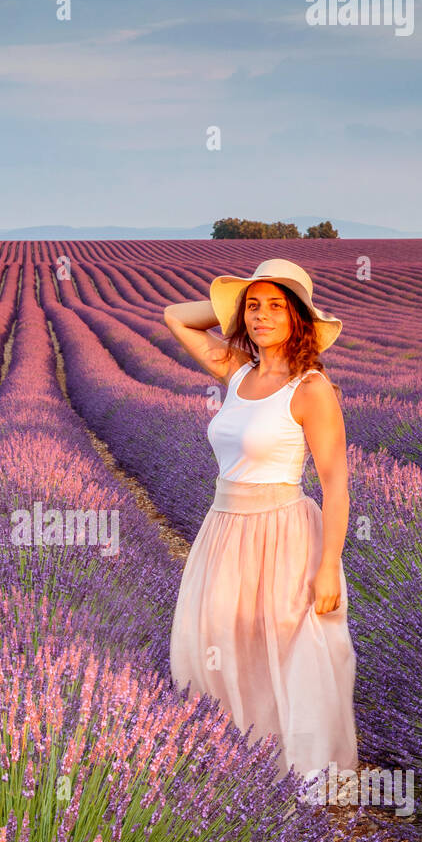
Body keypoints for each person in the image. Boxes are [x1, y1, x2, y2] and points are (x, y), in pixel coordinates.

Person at [164, 258, 358, 792]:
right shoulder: (237, 370)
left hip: (283, 532)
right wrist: (232, 304)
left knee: (285, 652)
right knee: (216, 646)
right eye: (254, 306)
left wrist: (328, 567)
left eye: (277, 306)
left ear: (300, 318)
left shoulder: (311, 389)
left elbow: (335, 484)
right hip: (225, 530)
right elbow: (176, 316)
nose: (262, 316)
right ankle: (237, 772)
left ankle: (298, 779)